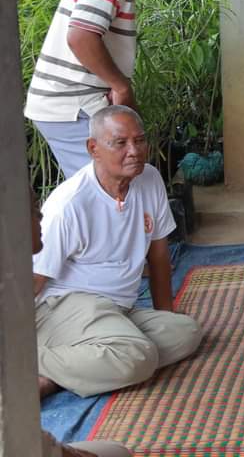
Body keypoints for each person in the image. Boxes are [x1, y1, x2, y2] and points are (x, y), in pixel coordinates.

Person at [33, 106, 201, 399]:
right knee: (137, 357)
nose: (134, 151)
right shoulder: (70, 204)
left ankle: (64, 373)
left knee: (185, 332)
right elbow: (33, 280)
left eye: (140, 140)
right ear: (93, 149)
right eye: (120, 143)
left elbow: (159, 258)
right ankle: (25, 359)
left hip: (118, 307)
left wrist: (165, 314)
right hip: (65, 305)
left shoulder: (150, 179)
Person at [25, 0, 181, 179]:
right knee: (108, 186)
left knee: (109, 186)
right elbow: (81, 36)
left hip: (72, 102)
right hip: (72, 105)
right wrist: (120, 85)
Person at [27, 191, 135, 457]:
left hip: (105, 313)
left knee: (179, 332)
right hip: (67, 316)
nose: (41, 214)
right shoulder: (69, 204)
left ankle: (62, 371)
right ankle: (38, 366)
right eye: (33, 208)